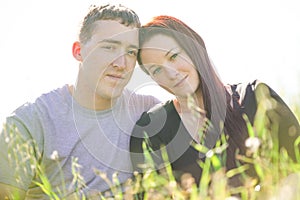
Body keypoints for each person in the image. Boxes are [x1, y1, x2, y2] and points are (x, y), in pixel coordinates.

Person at [0, 4, 160, 199]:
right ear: (78, 51)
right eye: (109, 47)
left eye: (131, 52)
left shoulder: (149, 111)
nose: (121, 64)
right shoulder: (30, 122)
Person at [130, 15, 300, 188]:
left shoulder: (257, 98)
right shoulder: (150, 132)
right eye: (157, 70)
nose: (172, 73)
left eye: (173, 56)